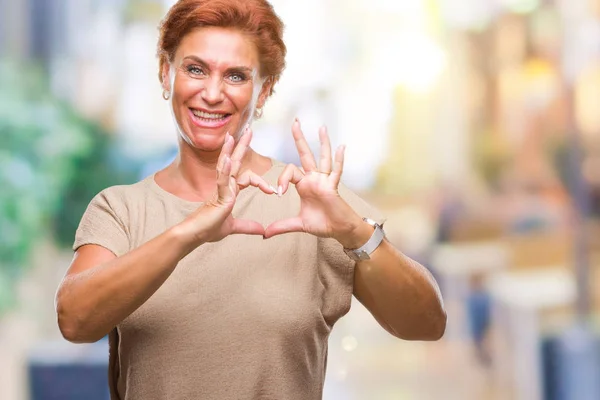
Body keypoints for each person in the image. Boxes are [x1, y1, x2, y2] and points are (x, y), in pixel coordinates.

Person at [55, 1, 446, 399]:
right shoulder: (121, 210)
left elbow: (426, 323)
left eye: (236, 76)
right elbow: (74, 320)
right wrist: (190, 231)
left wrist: (353, 230)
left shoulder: (313, 204)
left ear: (264, 91)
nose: (212, 93)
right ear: (165, 73)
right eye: (195, 69)